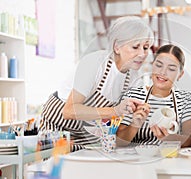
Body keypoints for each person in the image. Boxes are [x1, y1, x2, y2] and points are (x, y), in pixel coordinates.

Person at [39, 16, 154, 151]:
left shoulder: (134, 79)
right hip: (57, 127)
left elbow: (118, 139)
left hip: (88, 135)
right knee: (59, 170)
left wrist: (136, 122)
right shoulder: (94, 63)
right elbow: (69, 111)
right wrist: (115, 111)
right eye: (135, 47)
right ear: (117, 47)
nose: (142, 53)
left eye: (146, 47)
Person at [117, 44, 191, 147]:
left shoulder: (186, 99)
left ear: (180, 74)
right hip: (137, 159)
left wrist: (167, 137)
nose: (162, 72)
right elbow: (119, 142)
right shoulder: (133, 95)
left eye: (171, 69)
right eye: (159, 65)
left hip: (172, 160)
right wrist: (134, 125)